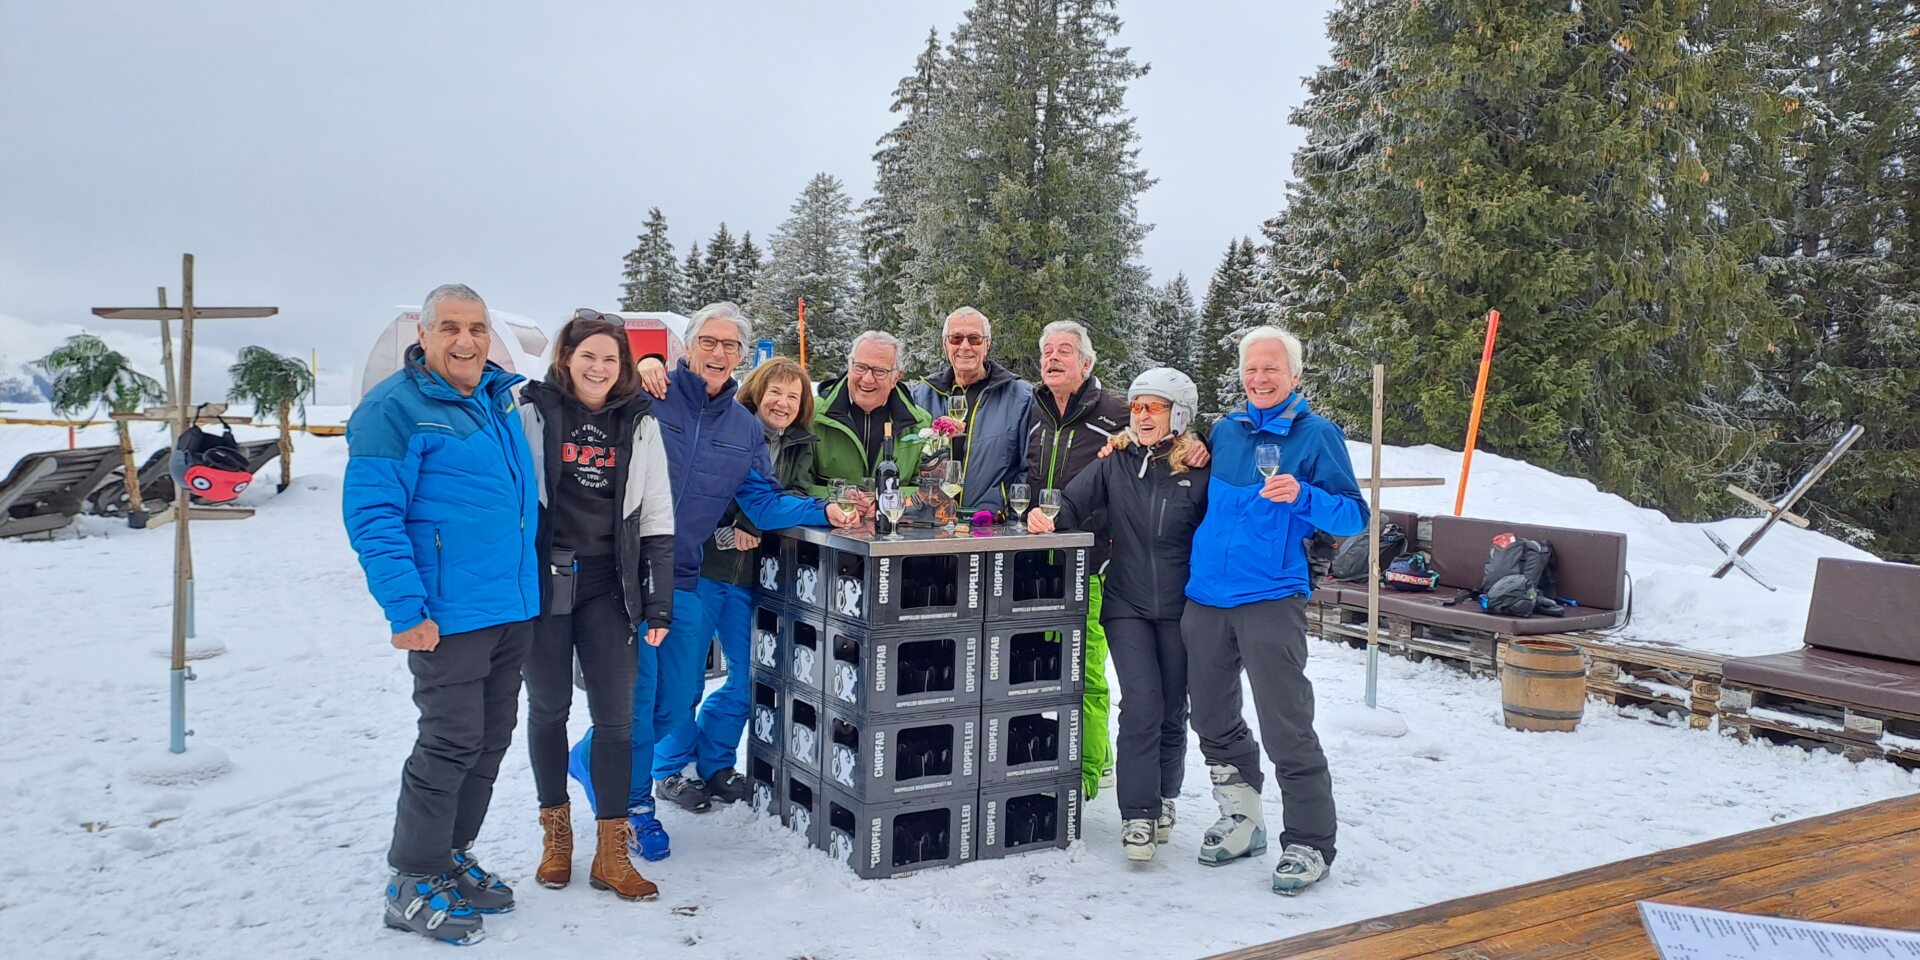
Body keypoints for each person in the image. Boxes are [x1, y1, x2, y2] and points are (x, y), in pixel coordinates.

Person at [585, 302, 857, 865]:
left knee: (673, 702)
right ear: (688, 346)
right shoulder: (650, 396)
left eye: (730, 345)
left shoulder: (742, 426)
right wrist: (648, 363)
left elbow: (759, 496)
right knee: (638, 701)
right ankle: (635, 808)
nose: (718, 353)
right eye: (708, 341)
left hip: (678, 577)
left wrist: (823, 510)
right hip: (620, 570)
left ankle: (590, 757)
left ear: (741, 355)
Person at [344, 283, 538, 945]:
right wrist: (406, 609)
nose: (466, 341)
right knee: (449, 741)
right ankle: (411, 877)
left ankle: (450, 855)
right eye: (450, 327)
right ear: (422, 336)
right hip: (446, 615)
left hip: (508, 607)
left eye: (477, 328)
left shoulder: (494, 399)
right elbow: (374, 519)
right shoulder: (393, 411)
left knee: (489, 741)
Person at [1182, 326, 1366, 896]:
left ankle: (1310, 841)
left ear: (1295, 376)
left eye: (1271, 369)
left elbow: (1354, 518)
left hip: (1270, 597)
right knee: (1210, 718)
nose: (1259, 378)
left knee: (1286, 724)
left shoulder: (1318, 436)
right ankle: (1242, 819)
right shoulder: (1225, 431)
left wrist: (1305, 496)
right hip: (1207, 596)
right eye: (1251, 369)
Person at [517, 311, 673, 902]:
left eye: (611, 358)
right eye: (589, 356)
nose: (599, 368)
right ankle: (556, 838)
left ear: (624, 365)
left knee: (617, 718)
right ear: (566, 358)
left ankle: (612, 851)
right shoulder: (533, 411)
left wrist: (657, 602)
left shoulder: (637, 422)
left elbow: (656, 514)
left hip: (611, 586)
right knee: (549, 708)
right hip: (547, 584)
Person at [1025, 367, 1207, 863]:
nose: (1142, 415)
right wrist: (1047, 515)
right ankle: (1138, 816)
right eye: (1137, 406)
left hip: (1182, 604)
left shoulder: (1199, 468)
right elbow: (1072, 501)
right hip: (1125, 602)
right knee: (1142, 704)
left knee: (1174, 708)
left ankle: (1167, 797)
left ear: (1180, 413)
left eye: (1155, 407)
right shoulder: (1115, 462)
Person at [651, 356, 819, 810]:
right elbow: (699, 493)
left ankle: (715, 761)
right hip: (703, 570)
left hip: (754, 578)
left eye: (793, 395)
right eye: (775, 392)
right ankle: (669, 769)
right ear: (756, 392)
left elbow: (789, 498)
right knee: (683, 679)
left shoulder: (801, 443)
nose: (782, 403)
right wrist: (730, 528)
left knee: (751, 674)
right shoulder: (729, 427)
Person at [908, 307, 1031, 514]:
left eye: (974, 339)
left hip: (989, 526)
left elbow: (1029, 467)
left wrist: (1008, 512)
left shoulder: (1020, 396)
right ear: (945, 344)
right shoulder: (921, 396)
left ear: (987, 344)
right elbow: (907, 463)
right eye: (956, 338)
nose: (965, 347)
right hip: (929, 525)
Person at [812, 330, 930, 494]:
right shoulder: (813, 415)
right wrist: (840, 498)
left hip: (894, 518)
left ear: (896, 377)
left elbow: (928, 491)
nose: (867, 379)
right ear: (849, 366)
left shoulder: (921, 426)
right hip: (827, 518)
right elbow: (796, 486)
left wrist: (883, 498)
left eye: (879, 371)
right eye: (860, 367)